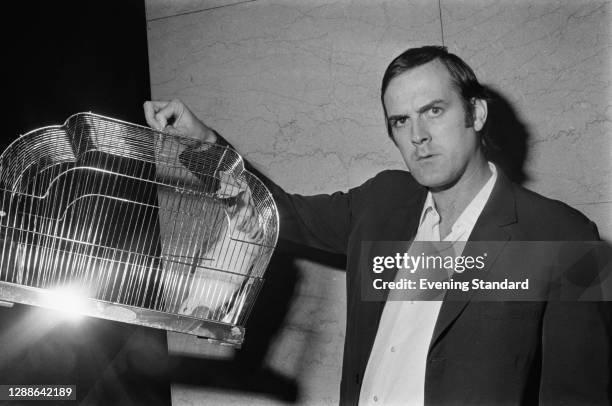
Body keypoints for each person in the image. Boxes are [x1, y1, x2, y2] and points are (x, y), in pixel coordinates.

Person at [144, 46, 610, 405]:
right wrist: (204, 145)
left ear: (477, 113)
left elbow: (582, 396)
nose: (418, 135)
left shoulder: (568, 236)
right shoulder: (382, 200)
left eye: (434, 110)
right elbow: (280, 214)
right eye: (400, 120)